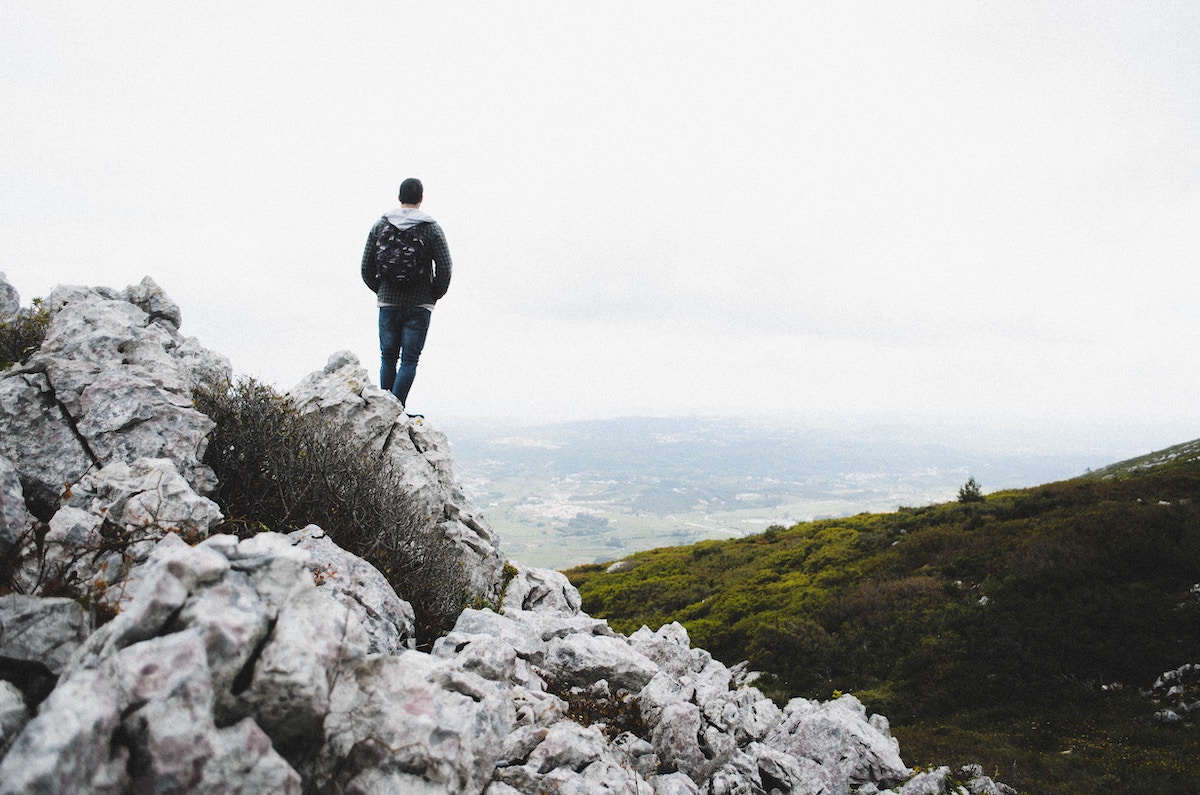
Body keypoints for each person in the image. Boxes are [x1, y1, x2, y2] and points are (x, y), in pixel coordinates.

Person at [361, 178, 452, 411]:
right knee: (409, 361)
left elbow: (366, 267)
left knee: (387, 357)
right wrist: (433, 295)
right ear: (421, 198)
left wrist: (382, 289)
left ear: (399, 197)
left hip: (387, 302)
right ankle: (394, 411)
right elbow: (444, 267)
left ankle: (384, 409)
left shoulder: (380, 226)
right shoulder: (431, 228)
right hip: (419, 304)